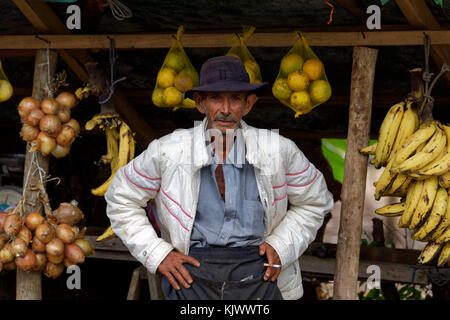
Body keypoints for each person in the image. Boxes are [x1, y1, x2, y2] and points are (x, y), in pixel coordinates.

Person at [105, 55, 334, 300]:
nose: (225, 110)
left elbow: (315, 202)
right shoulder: (168, 150)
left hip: (259, 270)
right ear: (200, 103)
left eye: (235, 98)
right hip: (192, 272)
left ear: (248, 104)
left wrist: (282, 245)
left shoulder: (278, 150)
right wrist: (157, 253)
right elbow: (121, 198)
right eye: (215, 98)